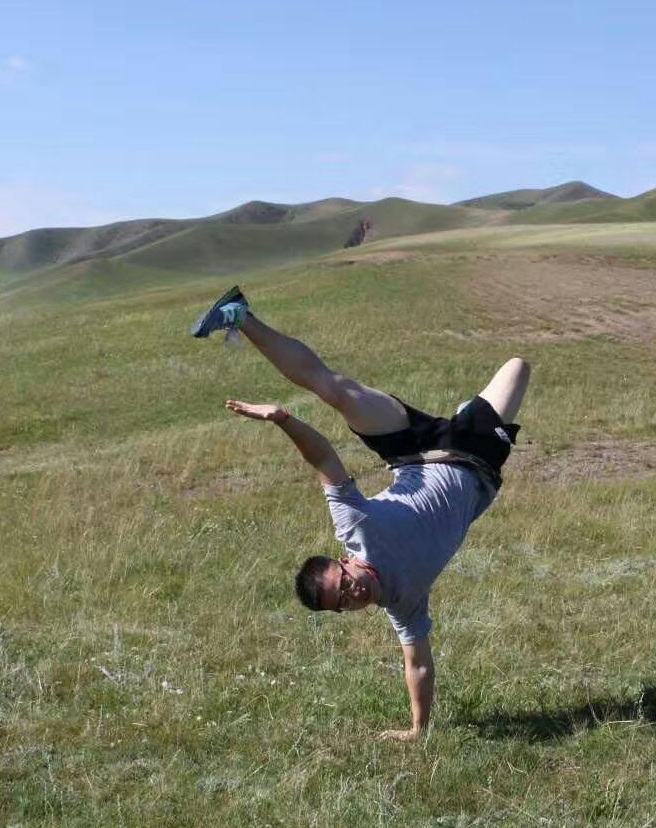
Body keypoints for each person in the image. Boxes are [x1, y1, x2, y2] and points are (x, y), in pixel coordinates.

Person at [192, 286, 530, 741]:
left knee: (338, 391)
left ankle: (239, 314)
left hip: (414, 448)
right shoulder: (403, 603)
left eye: (342, 582)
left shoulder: (354, 527)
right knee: (518, 366)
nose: (352, 592)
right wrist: (417, 730)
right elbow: (420, 663)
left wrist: (284, 419)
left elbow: (325, 460)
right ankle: (469, 413)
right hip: (474, 456)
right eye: (343, 602)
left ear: (342, 560)